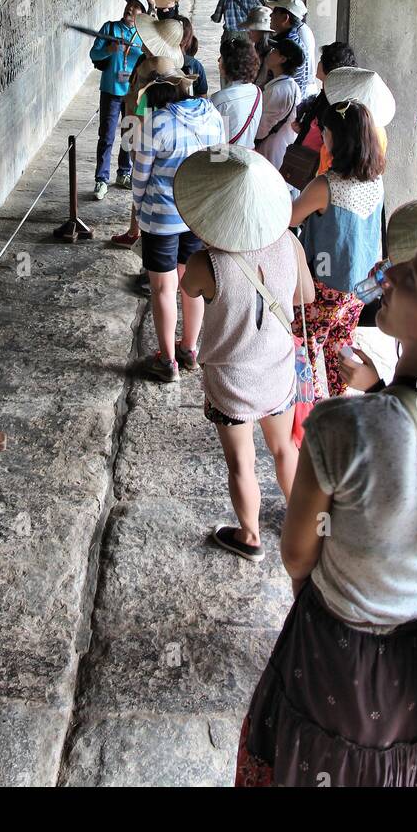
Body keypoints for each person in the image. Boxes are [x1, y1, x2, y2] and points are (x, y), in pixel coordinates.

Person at [235, 198, 417, 788]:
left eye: (411, 276)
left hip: (337, 650)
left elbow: (297, 553)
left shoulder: (345, 427)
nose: (389, 273)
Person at [177, 148, 316, 561]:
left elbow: (191, 291)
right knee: (284, 450)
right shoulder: (289, 243)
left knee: (242, 463)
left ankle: (250, 535)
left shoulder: (207, 263)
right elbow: (305, 295)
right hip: (277, 372)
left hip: (230, 382)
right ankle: (303, 521)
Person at [131, 69, 225, 382]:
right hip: (197, 214)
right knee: (192, 282)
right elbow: (219, 165)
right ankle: (189, 349)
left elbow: (140, 175)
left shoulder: (156, 123)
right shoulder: (213, 116)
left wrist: (140, 206)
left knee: (163, 287)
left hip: (161, 217)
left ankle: (167, 361)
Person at [291, 99, 384, 395]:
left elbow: (289, 219)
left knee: (304, 348)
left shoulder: (325, 186)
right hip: (361, 285)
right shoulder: (376, 180)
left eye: (326, 131)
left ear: (337, 138)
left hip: (325, 286)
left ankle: (311, 408)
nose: (323, 137)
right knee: (340, 346)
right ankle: (340, 403)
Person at [111, 13, 187, 249]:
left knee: (143, 178)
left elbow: (145, 105)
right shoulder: (151, 62)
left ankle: (142, 232)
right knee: (140, 175)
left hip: (147, 128)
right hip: (140, 124)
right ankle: (135, 229)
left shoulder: (157, 68)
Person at [88, 0, 148, 199]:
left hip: (133, 93)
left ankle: (124, 172)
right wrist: (108, 49)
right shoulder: (109, 29)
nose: (130, 8)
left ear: (143, 14)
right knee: (106, 135)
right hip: (111, 90)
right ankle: (101, 180)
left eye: (137, 7)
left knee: (129, 136)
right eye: (130, 5)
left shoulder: (143, 36)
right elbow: (94, 55)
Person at [291, 40, 359, 168]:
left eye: (321, 60)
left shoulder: (332, 101)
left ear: (329, 67)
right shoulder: (328, 94)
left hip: (318, 165)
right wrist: (304, 128)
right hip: (312, 160)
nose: (318, 63)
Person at [254, 37, 303, 171]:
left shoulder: (277, 90)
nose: (270, 52)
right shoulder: (291, 85)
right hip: (283, 143)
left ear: (282, 59)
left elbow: (263, 127)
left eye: (275, 51)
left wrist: (253, 142)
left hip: (271, 147)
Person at [211, 38, 263, 147]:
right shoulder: (257, 91)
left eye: (222, 57)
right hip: (249, 156)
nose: (218, 60)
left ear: (230, 64)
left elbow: (219, 146)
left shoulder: (220, 99)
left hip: (229, 160)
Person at [264, 0, 315, 98]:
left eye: (274, 12)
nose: (270, 15)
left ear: (285, 18)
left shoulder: (288, 46)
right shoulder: (293, 39)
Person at [176, 15, 209, 97]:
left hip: (150, 109)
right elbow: (202, 98)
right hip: (186, 108)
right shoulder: (195, 65)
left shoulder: (149, 59)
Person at [243, 6, 273, 86]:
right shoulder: (257, 46)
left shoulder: (271, 53)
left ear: (263, 32)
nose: (248, 32)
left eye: (252, 30)